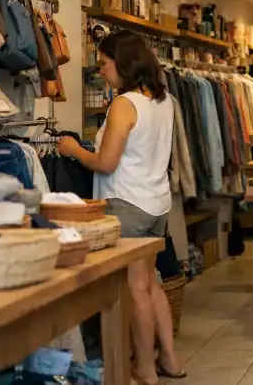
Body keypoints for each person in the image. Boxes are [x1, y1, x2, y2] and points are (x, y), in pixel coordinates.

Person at [57, 30, 184, 385]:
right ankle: (170, 360)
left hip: (127, 203)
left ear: (124, 62)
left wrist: (73, 150)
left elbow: (106, 162)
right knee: (152, 283)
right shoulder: (164, 100)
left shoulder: (125, 104)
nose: (102, 71)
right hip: (156, 204)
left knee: (135, 289)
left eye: (105, 63)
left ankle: (144, 367)